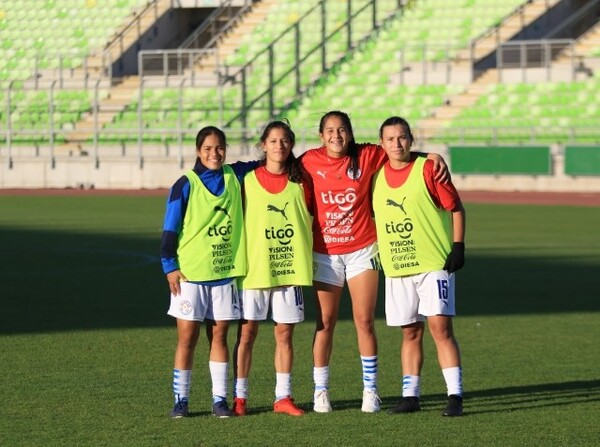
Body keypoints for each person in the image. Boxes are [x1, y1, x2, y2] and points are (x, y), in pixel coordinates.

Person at [298, 111, 448, 413]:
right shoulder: (307, 161)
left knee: (364, 322)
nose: (336, 136)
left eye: (342, 130)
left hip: (362, 250)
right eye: (330, 130)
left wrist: (431, 155)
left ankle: (371, 391)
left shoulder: (367, 155)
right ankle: (320, 391)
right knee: (325, 323)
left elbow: (398, 150)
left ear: (351, 134)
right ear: (320, 136)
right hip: (324, 253)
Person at [161, 126, 259, 418]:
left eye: (219, 148)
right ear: (197, 151)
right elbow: (170, 226)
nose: (214, 154)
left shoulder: (234, 175)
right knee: (187, 339)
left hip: (224, 274)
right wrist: (170, 265)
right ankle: (181, 400)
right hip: (190, 275)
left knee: (219, 338)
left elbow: (267, 162)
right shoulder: (185, 184)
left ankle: (219, 400)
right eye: (208, 149)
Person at [372, 116, 465, 417]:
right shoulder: (375, 177)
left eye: (402, 137)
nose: (397, 144)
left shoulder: (428, 168)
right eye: (390, 139)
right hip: (397, 267)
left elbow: (456, 207)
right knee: (410, 332)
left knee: (440, 328)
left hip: (432, 264)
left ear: (411, 139)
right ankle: (410, 396)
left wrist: (459, 245)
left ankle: (455, 395)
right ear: (382, 143)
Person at [232, 120, 314, 417]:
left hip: (290, 270)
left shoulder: (302, 180)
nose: (279, 146)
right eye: (274, 141)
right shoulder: (247, 180)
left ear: (291, 144)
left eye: (284, 141)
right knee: (247, 334)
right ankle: (240, 399)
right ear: (263, 145)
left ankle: (283, 397)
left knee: (284, 335)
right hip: (254, 269)